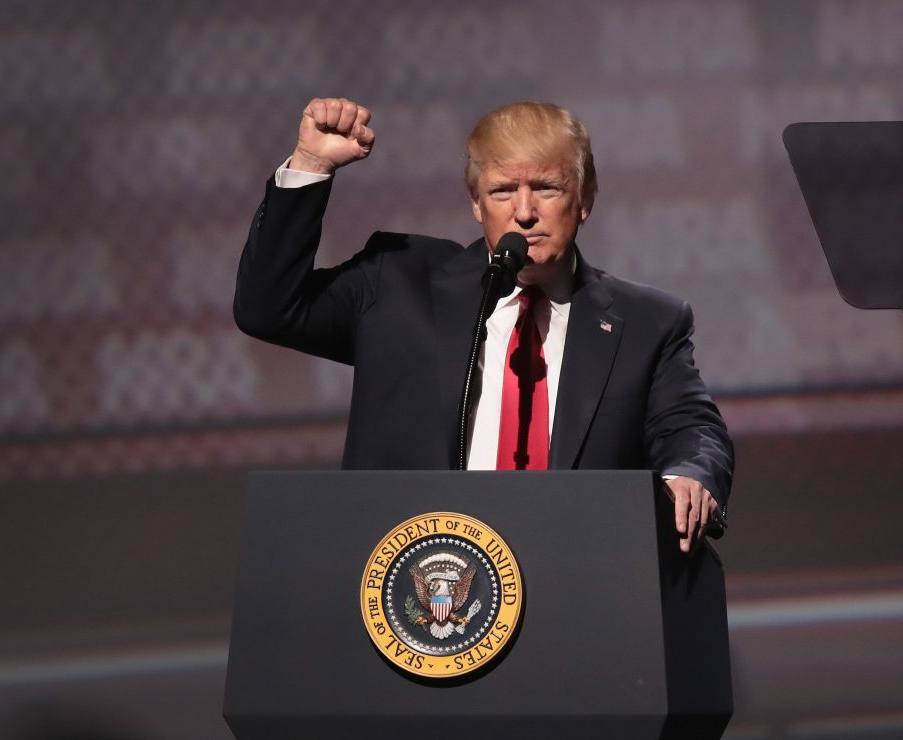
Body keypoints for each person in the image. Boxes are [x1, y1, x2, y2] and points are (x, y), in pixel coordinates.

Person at [234, 97, 733, 553]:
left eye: (545, 188)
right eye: (501, 191)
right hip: (414, 590)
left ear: (584, 200)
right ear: (475, 204)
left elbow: (690, 427)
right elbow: (269, 308)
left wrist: (690, 475)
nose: (524, 212)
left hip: (577, 584)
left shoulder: (648, 322)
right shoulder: (398, 284)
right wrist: (312, 164)